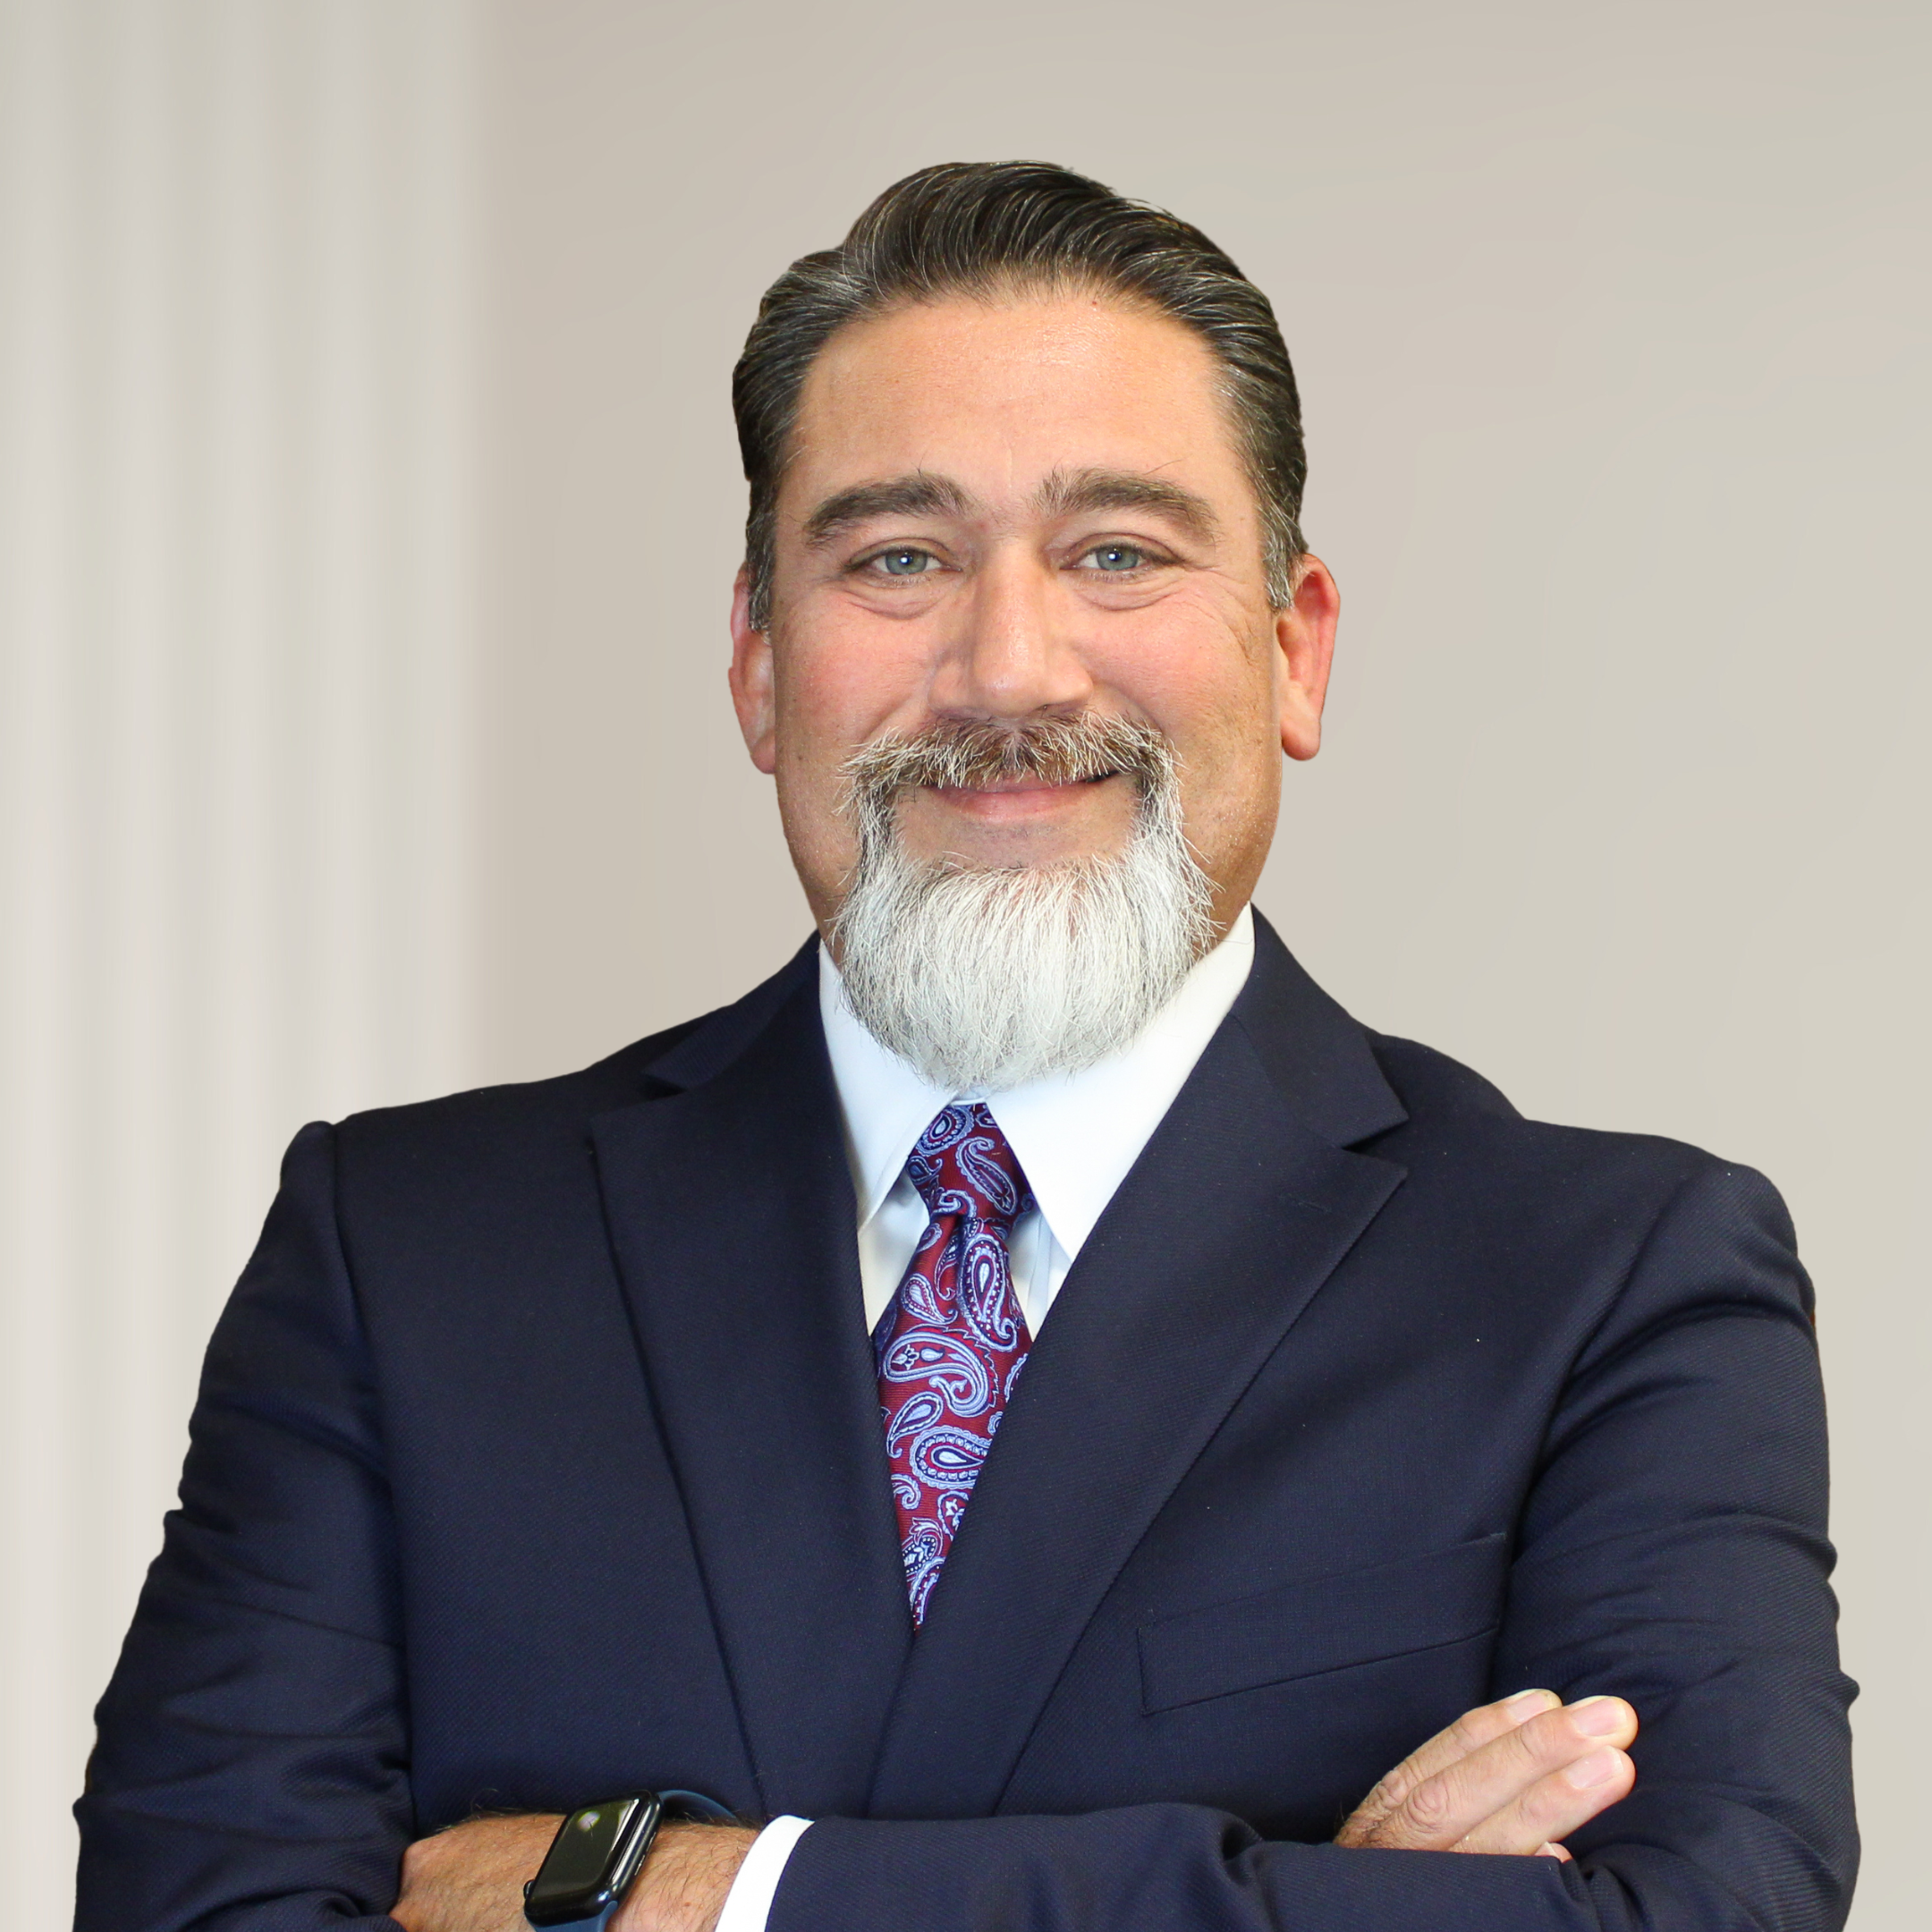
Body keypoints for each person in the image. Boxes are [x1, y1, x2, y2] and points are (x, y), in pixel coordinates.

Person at [75, 162, 1856, 1932]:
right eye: (900, 557)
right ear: (761, 667)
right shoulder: (406, 1251)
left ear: (1295, 651)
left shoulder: (1610, 1286)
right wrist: (1308, 1901)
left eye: (1117, 553)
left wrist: (713, 1894)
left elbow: (1705, 1914)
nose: (1010, 670)